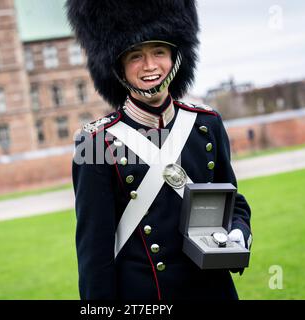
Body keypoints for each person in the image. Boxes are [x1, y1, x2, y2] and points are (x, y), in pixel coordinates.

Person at [67, 0, 252, 300]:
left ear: (176, 56)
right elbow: (94, 256)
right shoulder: (95, 143)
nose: (150, 66)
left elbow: (233, 203)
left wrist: (238, 231)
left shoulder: (207, 125)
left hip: (213, 291)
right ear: (118, 66)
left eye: (159, 52)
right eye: (136, 56)